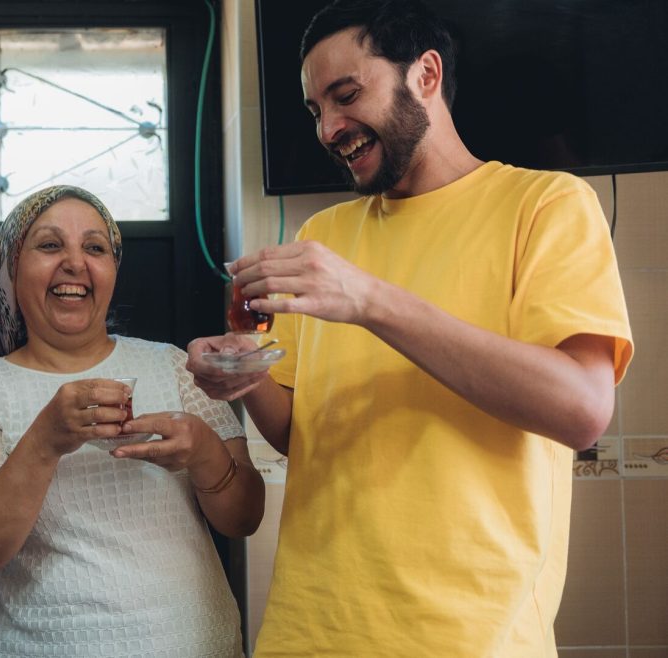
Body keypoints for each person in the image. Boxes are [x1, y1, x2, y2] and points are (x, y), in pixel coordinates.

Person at [186, 1, 633, 655]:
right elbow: (294, 433)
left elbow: (583, 410)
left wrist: (369, 299)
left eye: (346, 95)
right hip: (307, 633)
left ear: (425, 75)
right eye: (316, 111)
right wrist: (246, 369)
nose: (328, 129)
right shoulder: (324, 236)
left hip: (467, 638)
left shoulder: (548, 206)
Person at [0, 185, 265, 657]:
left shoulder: (173, 367)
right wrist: (45, 440)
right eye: (49, 245)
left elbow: (245, 517)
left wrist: (205, 452)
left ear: (112, 270)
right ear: (11, 268)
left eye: (94, 247)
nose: (74, 263)